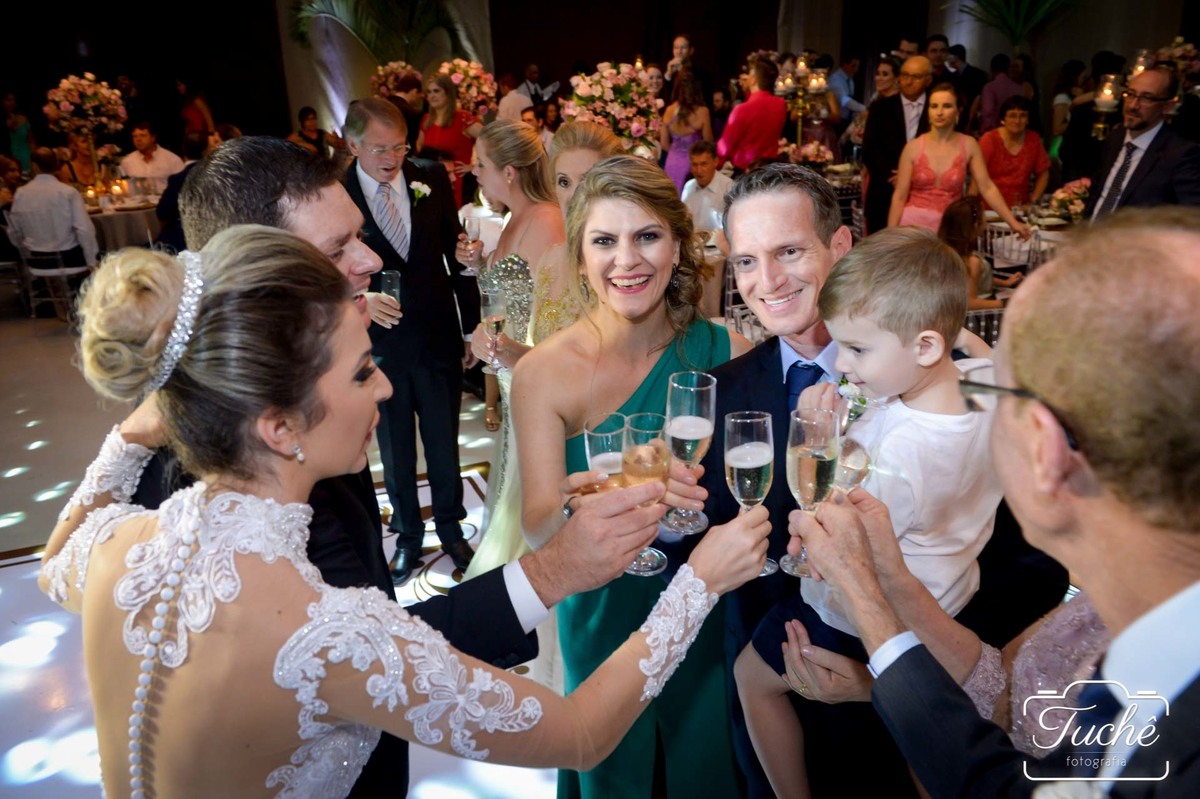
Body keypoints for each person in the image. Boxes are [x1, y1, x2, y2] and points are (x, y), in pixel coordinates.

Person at [39, 223, 771, 799]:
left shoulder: (115, 547)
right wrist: (699, 582)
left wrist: (142, 426)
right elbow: (579, 734)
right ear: (281, 427)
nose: (386, 390)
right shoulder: (327, 632)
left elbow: (54, 558)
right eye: (363, 371)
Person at [175, 133, 705, 798]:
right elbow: (563, 729)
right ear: (255, 270)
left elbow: (367, 628)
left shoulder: (292, 433)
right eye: (338, 249)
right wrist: (595, 572)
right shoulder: (213, 501)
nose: (371, 258)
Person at [789, 207, 1200, 795]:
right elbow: (1003, 694)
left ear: (1044, 450)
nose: (971, 392)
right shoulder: (1103, 612)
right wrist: (878, 673)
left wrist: (868, 608)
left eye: (997, 387)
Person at [513, 155, 760, 798]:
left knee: (705, 769)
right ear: (580, 256)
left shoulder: (726, 352)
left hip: (706, 611)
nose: (627, 260)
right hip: (602, 612)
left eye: (647, 236)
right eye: (604, 241)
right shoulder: (544, 373)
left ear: (678, 246)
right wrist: (603, 500)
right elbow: (538, 529)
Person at [735, 226, 1003, 798]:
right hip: (953, 596)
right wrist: (959, 337)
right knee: (927, 749)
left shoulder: (898, 457)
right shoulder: (984, 385)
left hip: (859, 616)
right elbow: (987, 359)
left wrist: (817, 434)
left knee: (749, 678)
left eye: (858, 350)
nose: (843, 364)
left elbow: (835, 546)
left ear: (925, 347)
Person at [342, 98, 479, 584]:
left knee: (444, 443)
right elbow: (320, 269)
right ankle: (407, 537)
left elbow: (456, 254)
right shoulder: (337, 193)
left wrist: (470, 326)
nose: (392, 158)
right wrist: (359, 299)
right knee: (395, 449)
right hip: (379, 345)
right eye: (379, 148)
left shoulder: (431, 177)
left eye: (399, 147)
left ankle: (452, 528)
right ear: (353, 144)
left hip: (437, 335)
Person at [455, 120, 566, 690]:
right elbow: (505, 295)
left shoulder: (546, 222)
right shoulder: (512, 219)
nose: (473, 173)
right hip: (511, 366)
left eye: (479, 165)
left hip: (532, 372)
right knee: (510, 476)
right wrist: (479, 266)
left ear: (509, 171)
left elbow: (559, 317)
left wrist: (512, 352)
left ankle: (539, 589)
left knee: (528, 481)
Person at [526, 121, 624, 347]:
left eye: (586, 181)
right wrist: (505, 351)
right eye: (564, 182)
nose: (572, 196)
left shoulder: (628, 265)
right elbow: (541, 354)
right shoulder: (550, 260)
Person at [889, 83, 1031, 236]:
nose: (939, 112)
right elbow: (900, 196)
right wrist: (889, 235)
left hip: (950, 228)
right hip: (911, 227)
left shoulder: (969, 144)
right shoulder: (913, 147)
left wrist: (1013, 223)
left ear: (958, 111)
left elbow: (987, 187)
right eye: (934, 106)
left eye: (947, 106)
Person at [1086, 66, 1200, 219]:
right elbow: (1098, 193)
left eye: (1146, 98)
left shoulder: (1180, 154)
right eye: (1130, 94)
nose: (1133, 105)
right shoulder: (1115, 138)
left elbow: (1192, 217)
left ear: (1167, 106)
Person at [862, 55, 932, 234]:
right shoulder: (880, 107)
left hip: (926, 196)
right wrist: (896, 176)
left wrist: (914, 175)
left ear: (928, 80)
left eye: (915, 76)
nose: (908, 81)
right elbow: (869, 150)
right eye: (905, 75)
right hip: (884, 192)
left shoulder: (936, 108)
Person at [7, 147, 98, 268]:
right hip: (69, 260)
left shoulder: (21, 193)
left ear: (34, 166)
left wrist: (24, 250)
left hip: (36, 261)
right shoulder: (67, 192)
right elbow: (84, 229)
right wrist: (92, 260)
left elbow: (14, 230)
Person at [938, 196, 1022, 310]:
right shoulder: (972, 261)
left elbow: (977, 279)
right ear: (976, 225)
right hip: (978, 314)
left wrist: (1005, 282)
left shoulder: (945, 251)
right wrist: (1005, 303)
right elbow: (970, 303)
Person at [416, 73, 483, 207]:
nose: (432, 96)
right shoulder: (426, 120)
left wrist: (475, 166)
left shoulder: (462, 118)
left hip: (457, 183)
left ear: (448, 93)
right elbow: (419, 148)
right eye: (429, 92)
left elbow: (492, 140)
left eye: (436, 91)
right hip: (432, 183)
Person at [976, 96, 1050, 209]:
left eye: (1023, 116)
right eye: (1012, 115)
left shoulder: (1033, 139)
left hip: (1020, 208)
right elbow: (976, 177)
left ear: (1028, 119)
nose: (1017, 121)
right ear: (1003, 119)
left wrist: (1033, 201)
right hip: (990, 208)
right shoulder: (989, 140)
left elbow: (1044, 174)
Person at [718, 56, 787, 172]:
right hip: (770, 169)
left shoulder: (742, 109)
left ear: (754, 79)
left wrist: (716, 165)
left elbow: (725, 147)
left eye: (749, 74)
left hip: (746, 171)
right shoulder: (781, 104)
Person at [154, 131, 209, 253]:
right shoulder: (217, 175)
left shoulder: (178, 179)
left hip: (182, 241)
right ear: (206, 150)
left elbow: (163, 213)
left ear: (183, 151)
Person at [660, 68, 713, 192]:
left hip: (671, 163)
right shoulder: (702, 112)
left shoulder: (669, 110)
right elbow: (708, 144)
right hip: (693, 165)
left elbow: (664, 144)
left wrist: (676, 151)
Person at [680, 139, 733, 234]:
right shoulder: (689, 187)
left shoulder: (728, 188)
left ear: (715, 162)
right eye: (694, 165)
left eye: (704, 164)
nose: (699, 170)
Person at [119, 121, 184, 184]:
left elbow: (183, 185)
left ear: (153, 138)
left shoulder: (172, 160)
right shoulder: (127, 161)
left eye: (143, 135)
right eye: (135, 136)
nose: (138, 139)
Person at [980, 55, 1026, 133]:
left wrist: (986, 131)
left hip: (996, 132)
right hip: (1016, 131)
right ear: (1008, 68)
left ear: (991, 69)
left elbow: (988, 112)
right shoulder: (1019, 88)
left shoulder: (989, 87)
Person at [385, 72, 424, 149]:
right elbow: (410, 144)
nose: (419, 100)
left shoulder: (383, 104)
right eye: (419, 96)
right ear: (414, 92)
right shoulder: (410, 112)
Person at [4, 92, 35, 175]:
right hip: (9, 164)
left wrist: (34, 159)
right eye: (8, 100)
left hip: (27, 160)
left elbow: (31, 142)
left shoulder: (22, 119)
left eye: (13, 100)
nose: (12, 103)